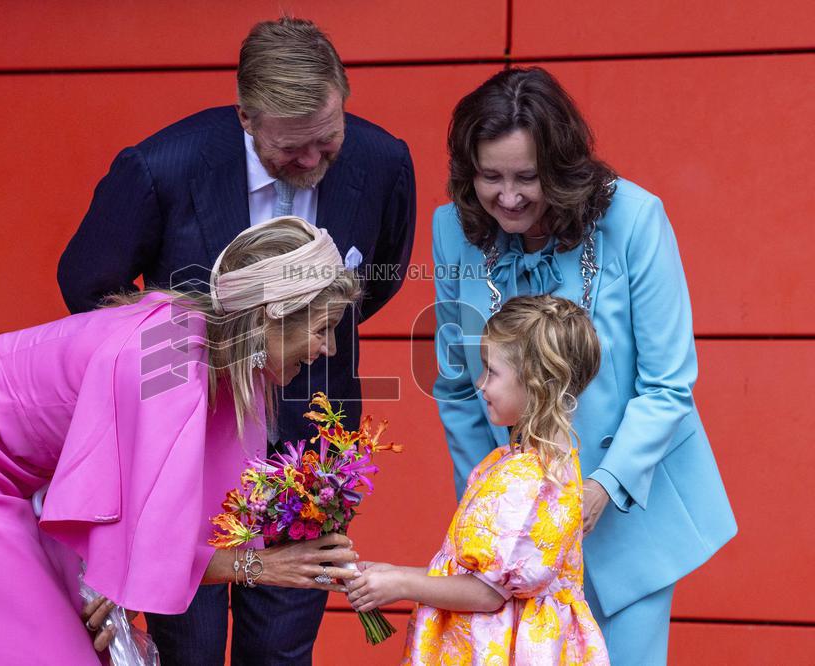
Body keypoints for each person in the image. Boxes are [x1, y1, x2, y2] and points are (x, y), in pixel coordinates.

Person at [0, 217, 361, 665]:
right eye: (323, 328)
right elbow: (152, 543)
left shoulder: (197, 348)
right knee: (31, 651)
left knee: (49, 644)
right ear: (272, 313)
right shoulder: (170, 361)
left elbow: (141, 529)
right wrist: (262, 567)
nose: (328, 348)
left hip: (2, 466)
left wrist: (114, 588)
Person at [57, 16, 415, 665]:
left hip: (307, 444)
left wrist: (299, 340)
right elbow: (88, 284)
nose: (311, 162)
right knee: (185, 641)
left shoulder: (382, 158)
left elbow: (376, 278)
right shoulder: (162, 165)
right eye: (291, 148)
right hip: (181, 447)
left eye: (325, 142)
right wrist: (180, 370)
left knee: (281, 650)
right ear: (247, 117)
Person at [432, 67, 736, 664]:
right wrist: (489, 510)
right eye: (490, 176)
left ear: (563, 169)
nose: (509, 196)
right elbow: (459, 388)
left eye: (528, 177)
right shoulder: (453, 230)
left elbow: (668, 385)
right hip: (520, 534)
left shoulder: (635, 218)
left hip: (626, 513)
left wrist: (602, 488)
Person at [348, 295, 609, 664]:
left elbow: (488, 593)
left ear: (537, 384)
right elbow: (478, 574)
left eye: (493, 371)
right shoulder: (516, 462)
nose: (481, 384)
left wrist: (400, 585)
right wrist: (394, 573)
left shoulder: (533, 479)